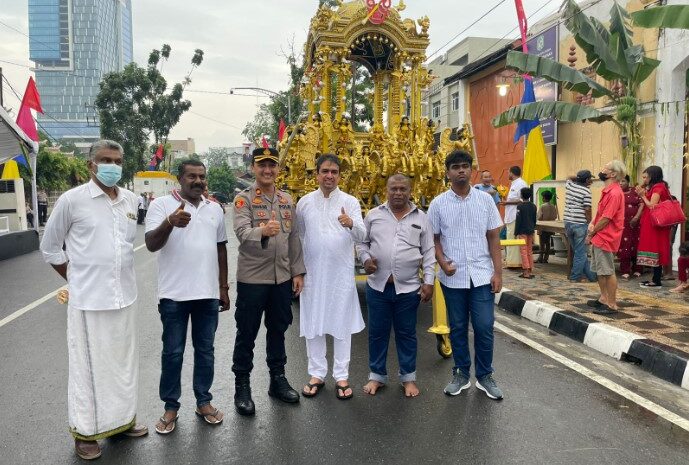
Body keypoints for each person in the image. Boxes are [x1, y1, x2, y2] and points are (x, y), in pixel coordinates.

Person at [39, 140, 147, 460]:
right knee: (87, 370)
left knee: (122, 366)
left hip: (125, 297)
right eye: (105, 160)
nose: (112, 165)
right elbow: (50, 248)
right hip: (88, 300)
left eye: (117, 160)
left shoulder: (131, 200)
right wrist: (74, 279)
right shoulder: (73, 201)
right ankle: (85, 433)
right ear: (91, 165)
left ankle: (122, 422)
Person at [145, 159, 229, 434]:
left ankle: (203, 402)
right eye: (191, 176)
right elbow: (150, 244)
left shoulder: (214, 209)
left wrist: (223, 288)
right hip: (174, 296)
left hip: (207, 295)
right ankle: (171, 407)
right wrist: (170, 222)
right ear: (179, 179)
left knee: (205, 351)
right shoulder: (161, 206)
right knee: (173, 353)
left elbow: (221, 250)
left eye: (201, 176)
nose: (198, 181)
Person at [231, 147, 306, 416]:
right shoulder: (244, 199)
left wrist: (298, 272)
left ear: (278, 169)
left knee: (278, 330)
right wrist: (262, 230)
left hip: (282, 279)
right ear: (254, 168)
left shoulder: (286, 200)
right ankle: (242, 385)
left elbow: (294, 238)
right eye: (262, 165)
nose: (267, 170)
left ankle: (278, 380)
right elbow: (240, 231)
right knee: (247, 333)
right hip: (253, 279)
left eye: (272, 165)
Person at [427, 150, 504, 400]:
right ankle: (461, 373)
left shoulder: (485, 201)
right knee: (458, 327)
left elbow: (494, 238)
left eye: (465, 166)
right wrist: (442, 262)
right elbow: (434, 239)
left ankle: (485, 376)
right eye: (455, 167)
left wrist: (498, 273)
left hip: (482, 275)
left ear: (472, 171)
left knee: (484, 326)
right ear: (448, 172)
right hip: (453, 277)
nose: (461, 170)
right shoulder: (438, 204)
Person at [357, 174, 435, 398]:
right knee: (377, 333)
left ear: (410, 191)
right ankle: (377, 376)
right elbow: (362, 243)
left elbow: (429, 252)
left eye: (403, 189)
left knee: (407, 334)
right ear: (386, 190)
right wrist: (366, 260)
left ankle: (408, 378)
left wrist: (428, 281)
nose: (398, 193)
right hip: (378, 287)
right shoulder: (373, 216)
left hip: (409, 288)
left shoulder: (421, 218)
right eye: (394, 189)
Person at [296, 154, 366, 400]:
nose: (329, 175)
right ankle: (316, 373)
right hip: (313, 273)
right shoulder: (304, 203)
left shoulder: (350, 202)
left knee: (341, 324)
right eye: (325, 171)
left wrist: (350, 224)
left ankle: (341, 375)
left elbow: (362, 234)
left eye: (334, 171)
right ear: (317, 174)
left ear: (339, 175)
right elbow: (300, 237)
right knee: (313, 323)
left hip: (340, 274)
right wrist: (299, 271)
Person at [585, 161, 626, 314]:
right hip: (600, 235)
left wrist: (591, 232)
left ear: (613, 174)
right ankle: (603, 298)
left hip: (606, 236)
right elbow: (600, 214)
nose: (602, 171)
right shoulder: (607, 190)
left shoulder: (614, 193)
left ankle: (612, 304)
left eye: (605, 169)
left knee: (608, 271)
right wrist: (592, 224)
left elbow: (607, 218)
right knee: (600, 270)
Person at [636, 166, 672, 288]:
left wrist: (643, 195)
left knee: (655, 248)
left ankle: (656, 281)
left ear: (653, 176)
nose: (644, 179)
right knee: (654, 248)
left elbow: (652, 205)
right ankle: (655, 279)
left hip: (656, 225)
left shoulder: (658, 187)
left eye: (646, 177)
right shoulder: (657, 186)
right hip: (652, 223)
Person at [564, 170, 596, 282]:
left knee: (578, 251)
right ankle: (575, 277)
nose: (591, 181)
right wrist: (590, 223)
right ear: (586, 180)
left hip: (568, 222)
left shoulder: (570, 186)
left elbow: (568, 176)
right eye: (590, 179)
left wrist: (578, 177)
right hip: (580, 224)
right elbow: (587, 209)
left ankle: (592, 277)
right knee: (581, 253)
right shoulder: (586, 192)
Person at [617, 175, 643, 279]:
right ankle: (625, 270)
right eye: (619, 181)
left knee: (636, 245)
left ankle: (638, 269)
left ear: (628, 182)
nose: (620, 183)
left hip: (635, 224)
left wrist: (636, 217)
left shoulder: (635, 191)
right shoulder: (616, 193)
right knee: (624, 246)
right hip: (622, 225)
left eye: (623, 181)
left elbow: (642, 204)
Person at [502, 166, 528, 269]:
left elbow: (522, 200)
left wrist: (507, 202)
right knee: (510, 238)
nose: (508, 174)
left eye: (508, 172)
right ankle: (511, 261)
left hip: (516, 216)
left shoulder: (521, 184)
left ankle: (515, 263)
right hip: (510, 215)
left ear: (512, 173)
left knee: (513, 239)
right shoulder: (514, 184)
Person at [515, 187, 537, 279]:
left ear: (521, 195)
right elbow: (534, 219)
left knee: (523, 250)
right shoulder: (533, 206)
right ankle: (530, 268)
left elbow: (518, 220)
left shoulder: (520, 206)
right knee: (529, 250)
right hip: (530, 230)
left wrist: (516, 232)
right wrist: (533, 228)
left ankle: (526, 271)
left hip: (522, 231)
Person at [536, 190, 558, 263]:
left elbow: (539, 217)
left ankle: (540, 258)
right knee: (548, 242)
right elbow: (555, 216)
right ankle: (546, 258)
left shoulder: (542, 206)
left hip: (542, 227)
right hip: (551, 227)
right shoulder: (553, 206)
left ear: (544, 198)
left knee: (542, 243)